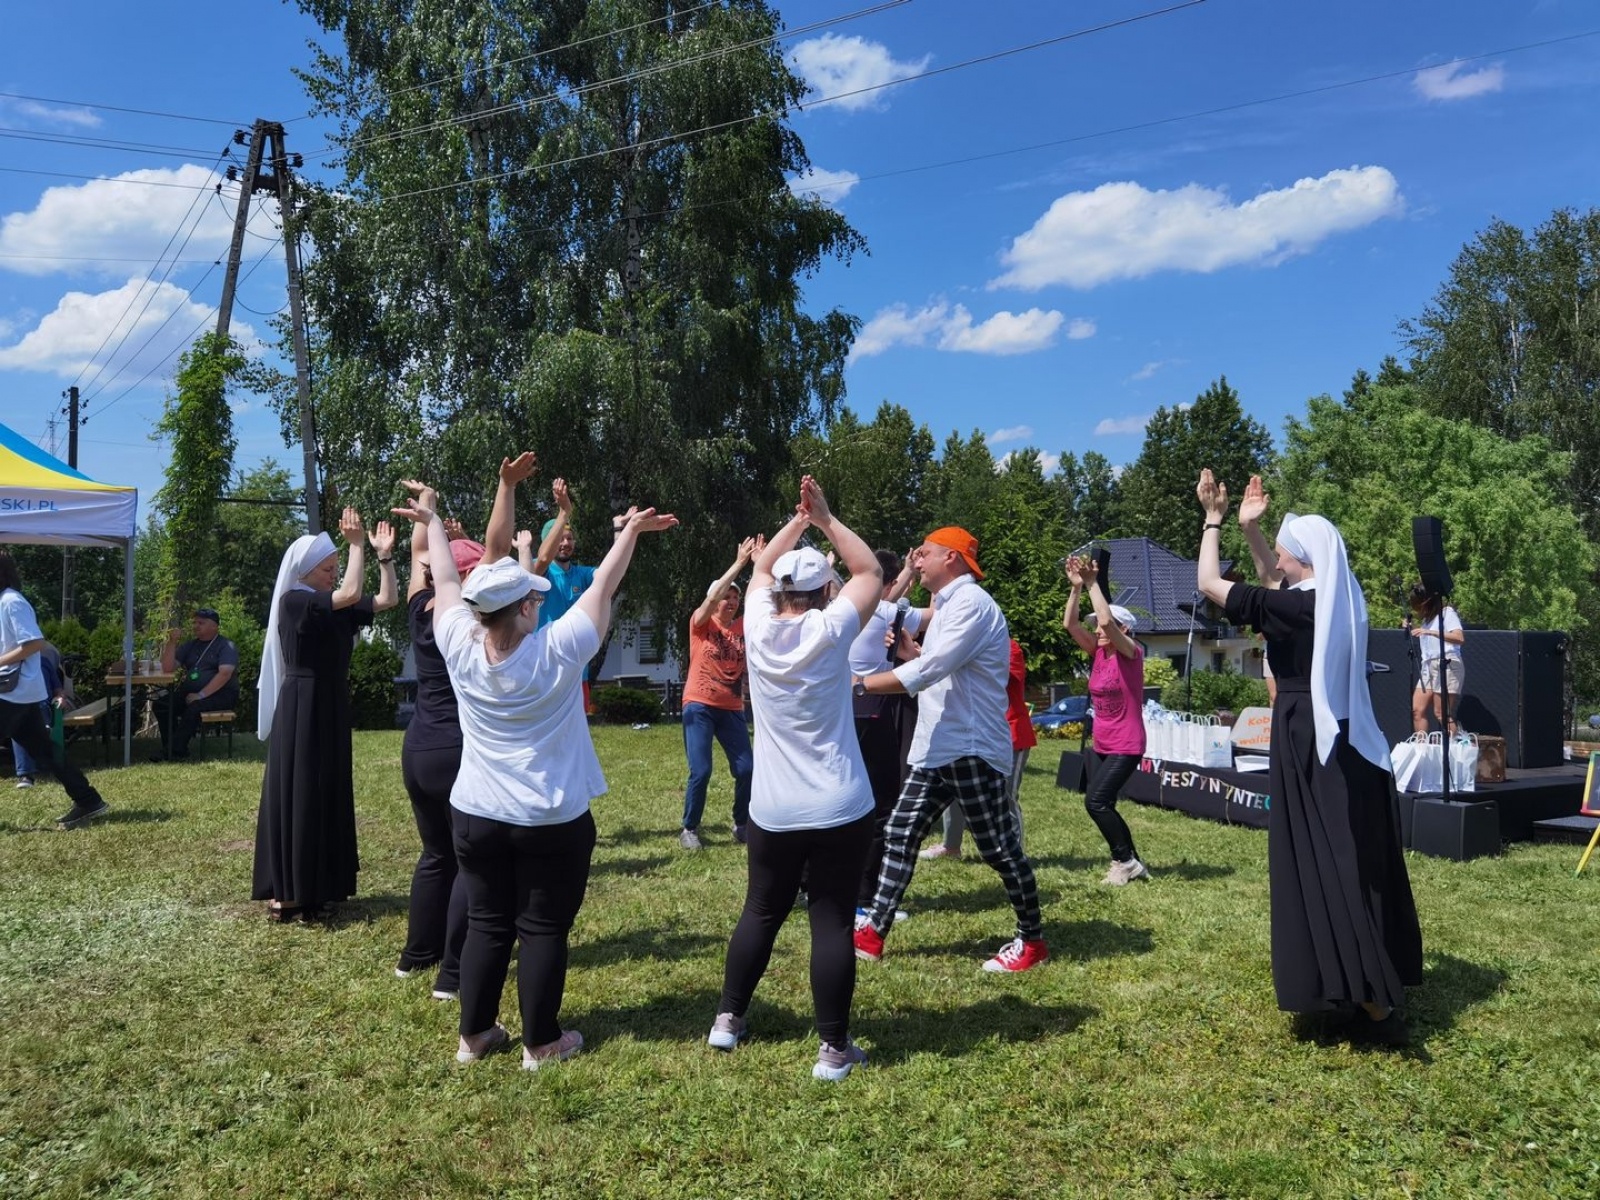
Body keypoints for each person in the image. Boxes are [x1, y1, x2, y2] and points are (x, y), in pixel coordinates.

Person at [394, 471, 676, 1070]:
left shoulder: (458, 642)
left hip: (476, 815)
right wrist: (629, 535)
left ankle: (474, 1038)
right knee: (543, 927)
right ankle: (540, 1042)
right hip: (550, 817)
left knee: (490, 923)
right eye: (533, 596)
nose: (539, 600)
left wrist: (434, 524)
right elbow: (603, 585)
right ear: (524, 607)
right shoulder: (558, 650)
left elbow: (444, 579)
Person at [1197, 469, 1421, 1044]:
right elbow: (1277, 581)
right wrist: (1254, 528)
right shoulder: (1339, 597)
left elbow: (1208, 583)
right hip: (1345, 735)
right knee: (1346, 852)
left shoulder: (1299, 608)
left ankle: (1367, 996)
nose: (1274, 554)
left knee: (1323, 858)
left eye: (1281, 549)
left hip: (1306, 733)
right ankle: (1361, 978)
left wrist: (1215, 521)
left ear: (1301, 557)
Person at [708, 476, 882, 1080]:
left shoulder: (757, 625)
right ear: (825, 591)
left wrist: (798, 521)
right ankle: (833, 1050)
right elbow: (870, 574)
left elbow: (758, 573)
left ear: (783, 591)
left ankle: (728, 1020)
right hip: (839, 804)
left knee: (759, 909)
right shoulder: (832, 629)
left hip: (773, 808)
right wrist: (826, 517)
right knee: (831, 919)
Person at [852, 527, 1049, 973]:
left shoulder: (972, 604)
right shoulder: (947, 605)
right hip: (940, 744)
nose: (916, 562)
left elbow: (932, 668)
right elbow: (902, 627)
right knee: (900, 834)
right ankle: (873, 932)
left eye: (925, 555)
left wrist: (861, 683)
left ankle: (1032, 941)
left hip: (970, 745)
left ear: (953, 559)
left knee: (999, 848)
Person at [252, 509, 398, 922]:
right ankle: (291, 889)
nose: (334, 574)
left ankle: (323, 884)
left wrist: (384, 558)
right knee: (302, 789)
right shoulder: (296, 601)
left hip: (330, 700)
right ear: (306, 570)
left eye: (336, 568)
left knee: (328, 787)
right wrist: (354, 546)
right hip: (302, 702)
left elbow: (386, 600)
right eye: (328, 568)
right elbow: (350, 593)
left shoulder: (332, 604)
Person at [0, 552, 109, 827]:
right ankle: (89, 801)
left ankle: (89, 801)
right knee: (49, 752)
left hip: (11, 692)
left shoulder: (12, 601)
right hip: (21, 694)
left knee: (48, 751)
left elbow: (34, 643)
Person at [1063, 556, 1150, 884]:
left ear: (1123, 629)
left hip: (1127, 744)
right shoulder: (1098, 652)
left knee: (1096, 801)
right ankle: (1132, 861)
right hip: (1103, 742)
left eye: (1104, 625)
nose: (1097, 629)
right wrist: (1075, 590)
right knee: (1105, 802)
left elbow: (1107, 621)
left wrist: (1092, 584)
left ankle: (1124, 860)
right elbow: (1070, 625)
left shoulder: (1131, 652)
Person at [678, 536, 761, 850]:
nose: (731, 602)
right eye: (725, 597)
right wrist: (739, 563)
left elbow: (763, 599)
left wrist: (760, 563)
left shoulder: (742, 628)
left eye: (735, 598)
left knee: (746, 769)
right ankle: (689, 828)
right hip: (698, 705)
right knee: (701, 770)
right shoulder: (700, 624)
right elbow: (711, 599)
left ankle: (741, 824)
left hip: (731, 709)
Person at [849, 549, 922, 900]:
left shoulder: (840, 609)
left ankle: (808, 883)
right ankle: (865, 895)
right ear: (886, 583)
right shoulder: (887, 611)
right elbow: (932, 616)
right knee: (882, 802)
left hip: (842, 707)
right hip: (873, 707)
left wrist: (908, 571)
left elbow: (882, 596)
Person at [923, 637, 1035, 859]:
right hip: (973, 733)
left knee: (1006, 795)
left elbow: (997, 678)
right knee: (954, 789)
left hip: (1010, 733)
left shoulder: (1008, 647)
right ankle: (951, 847)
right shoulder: (963, 645)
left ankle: (1014, 851)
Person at [534, 477, 599, 710]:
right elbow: (542, 559)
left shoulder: (582, 574)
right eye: (559, 537)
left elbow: (612, 574)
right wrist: (564, 511)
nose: (565, 543)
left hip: (577, 670)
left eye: (569, 538)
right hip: (545, 668)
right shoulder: (536, 571)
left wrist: (623, 531)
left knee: (576, 734)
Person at [152, 607, 240, 760]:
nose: (196, 626)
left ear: (214, 626)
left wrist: (201, 695)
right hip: (191, 694)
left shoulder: (226, 645)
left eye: (201, 623)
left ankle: (174, 752)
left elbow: (225, 674)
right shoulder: (190, 645)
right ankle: (172, 746)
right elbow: (167, 668)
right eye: (195, 623)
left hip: (221, 694)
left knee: (194, 707)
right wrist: (172, 642)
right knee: (162, 705)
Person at [10, 639, 68, 789]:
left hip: (42, 705)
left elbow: (58, 689)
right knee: (19, 722)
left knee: (22, 723)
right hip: (18, 706)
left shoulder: (45, 663)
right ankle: (26, 774)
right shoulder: (12, 666)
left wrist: (60, 697)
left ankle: (26, 774)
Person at [1409, 583, 1465, 735]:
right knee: (1417, 710)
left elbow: (1459, 638)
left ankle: (1453, 748)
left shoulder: (1447, 613)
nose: (1417, 611)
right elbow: (1426, 636)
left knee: (1441, 713)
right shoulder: (1427, 620)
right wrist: (1412, 627)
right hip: (1427, 666)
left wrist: (1431, 632)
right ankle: (1422, 748)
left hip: (1446, 663)